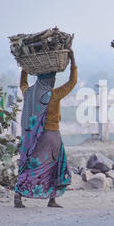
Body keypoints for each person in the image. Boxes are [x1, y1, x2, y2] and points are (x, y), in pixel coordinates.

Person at [14, 49, 78, 208]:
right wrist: (73, 61)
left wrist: (25, 66)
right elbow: (72, 82)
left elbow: (22, 83)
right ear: (51, 80)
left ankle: (18, 195)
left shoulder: (28, 93)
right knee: (54, 167)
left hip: (32, 140)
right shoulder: (54, 94)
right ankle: (52, 199)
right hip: (51, 136)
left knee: (30, 165)